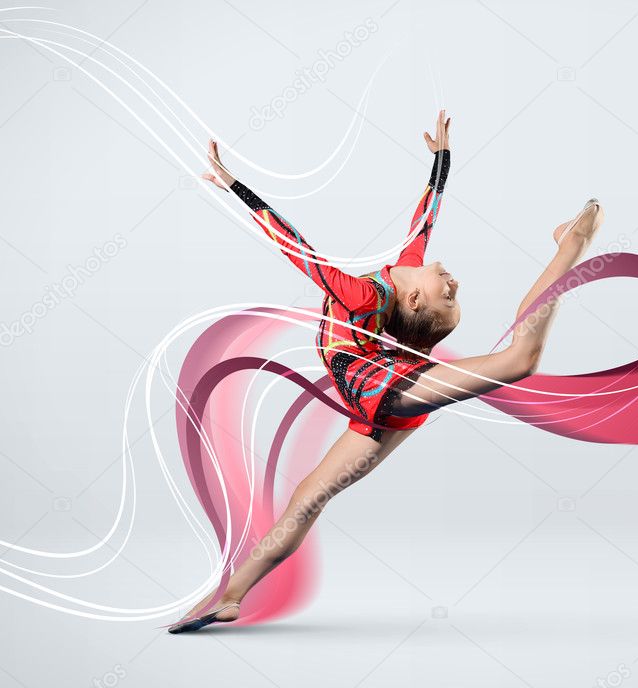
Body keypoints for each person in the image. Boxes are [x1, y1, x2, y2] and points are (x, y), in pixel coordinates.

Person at [170, 110, 603, 633]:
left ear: (414, 297)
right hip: (376, 406)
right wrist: (442, 160)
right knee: (307, 500)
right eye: (454, 294)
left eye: (448, 296)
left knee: (519, 360)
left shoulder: (364, 293)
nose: (455, 283)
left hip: (386, 390)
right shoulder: (406, 269)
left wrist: (234, 185)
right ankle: (232, 598)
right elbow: (426, 216)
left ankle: (571, 246)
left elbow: (295, 248)